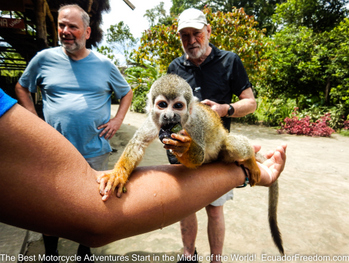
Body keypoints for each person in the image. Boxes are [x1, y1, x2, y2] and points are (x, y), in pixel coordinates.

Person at [0, 88, 287, 249]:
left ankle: (252, 165)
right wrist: (120, 172)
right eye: (162, 105)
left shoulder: (195, 121)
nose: (169, 113)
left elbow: (198, 161)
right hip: (205, 166)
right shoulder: (155, 120)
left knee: (240, 148)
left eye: (177, 106)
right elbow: (135, 147)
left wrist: (247, 169)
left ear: (189, 108)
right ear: (152, 106)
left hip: (217, 151)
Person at [14, 4, 132, 261]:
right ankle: (51, 253)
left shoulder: (104, 65)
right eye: (61, 25)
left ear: (87, 32)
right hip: (51, 149)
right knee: (49, 205)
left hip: (94, 148)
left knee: (92, 203)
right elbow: (22, 87)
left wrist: (117, 120)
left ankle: (84, 250)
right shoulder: (43, 59)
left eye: (72, 27)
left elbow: (127, 92)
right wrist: (33, 120)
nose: (65, 31)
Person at [167, 8, 258, 263]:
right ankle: (188, 254)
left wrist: (224, 109)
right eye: (185, 35)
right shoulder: (175, 66)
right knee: (186, 209)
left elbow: (250, 103)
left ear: (208, 31)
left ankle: (216, 259)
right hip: (186, 153)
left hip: (216, 152)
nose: (191, 40)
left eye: (196, 33)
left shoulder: (229, 61)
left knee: (215, 210)